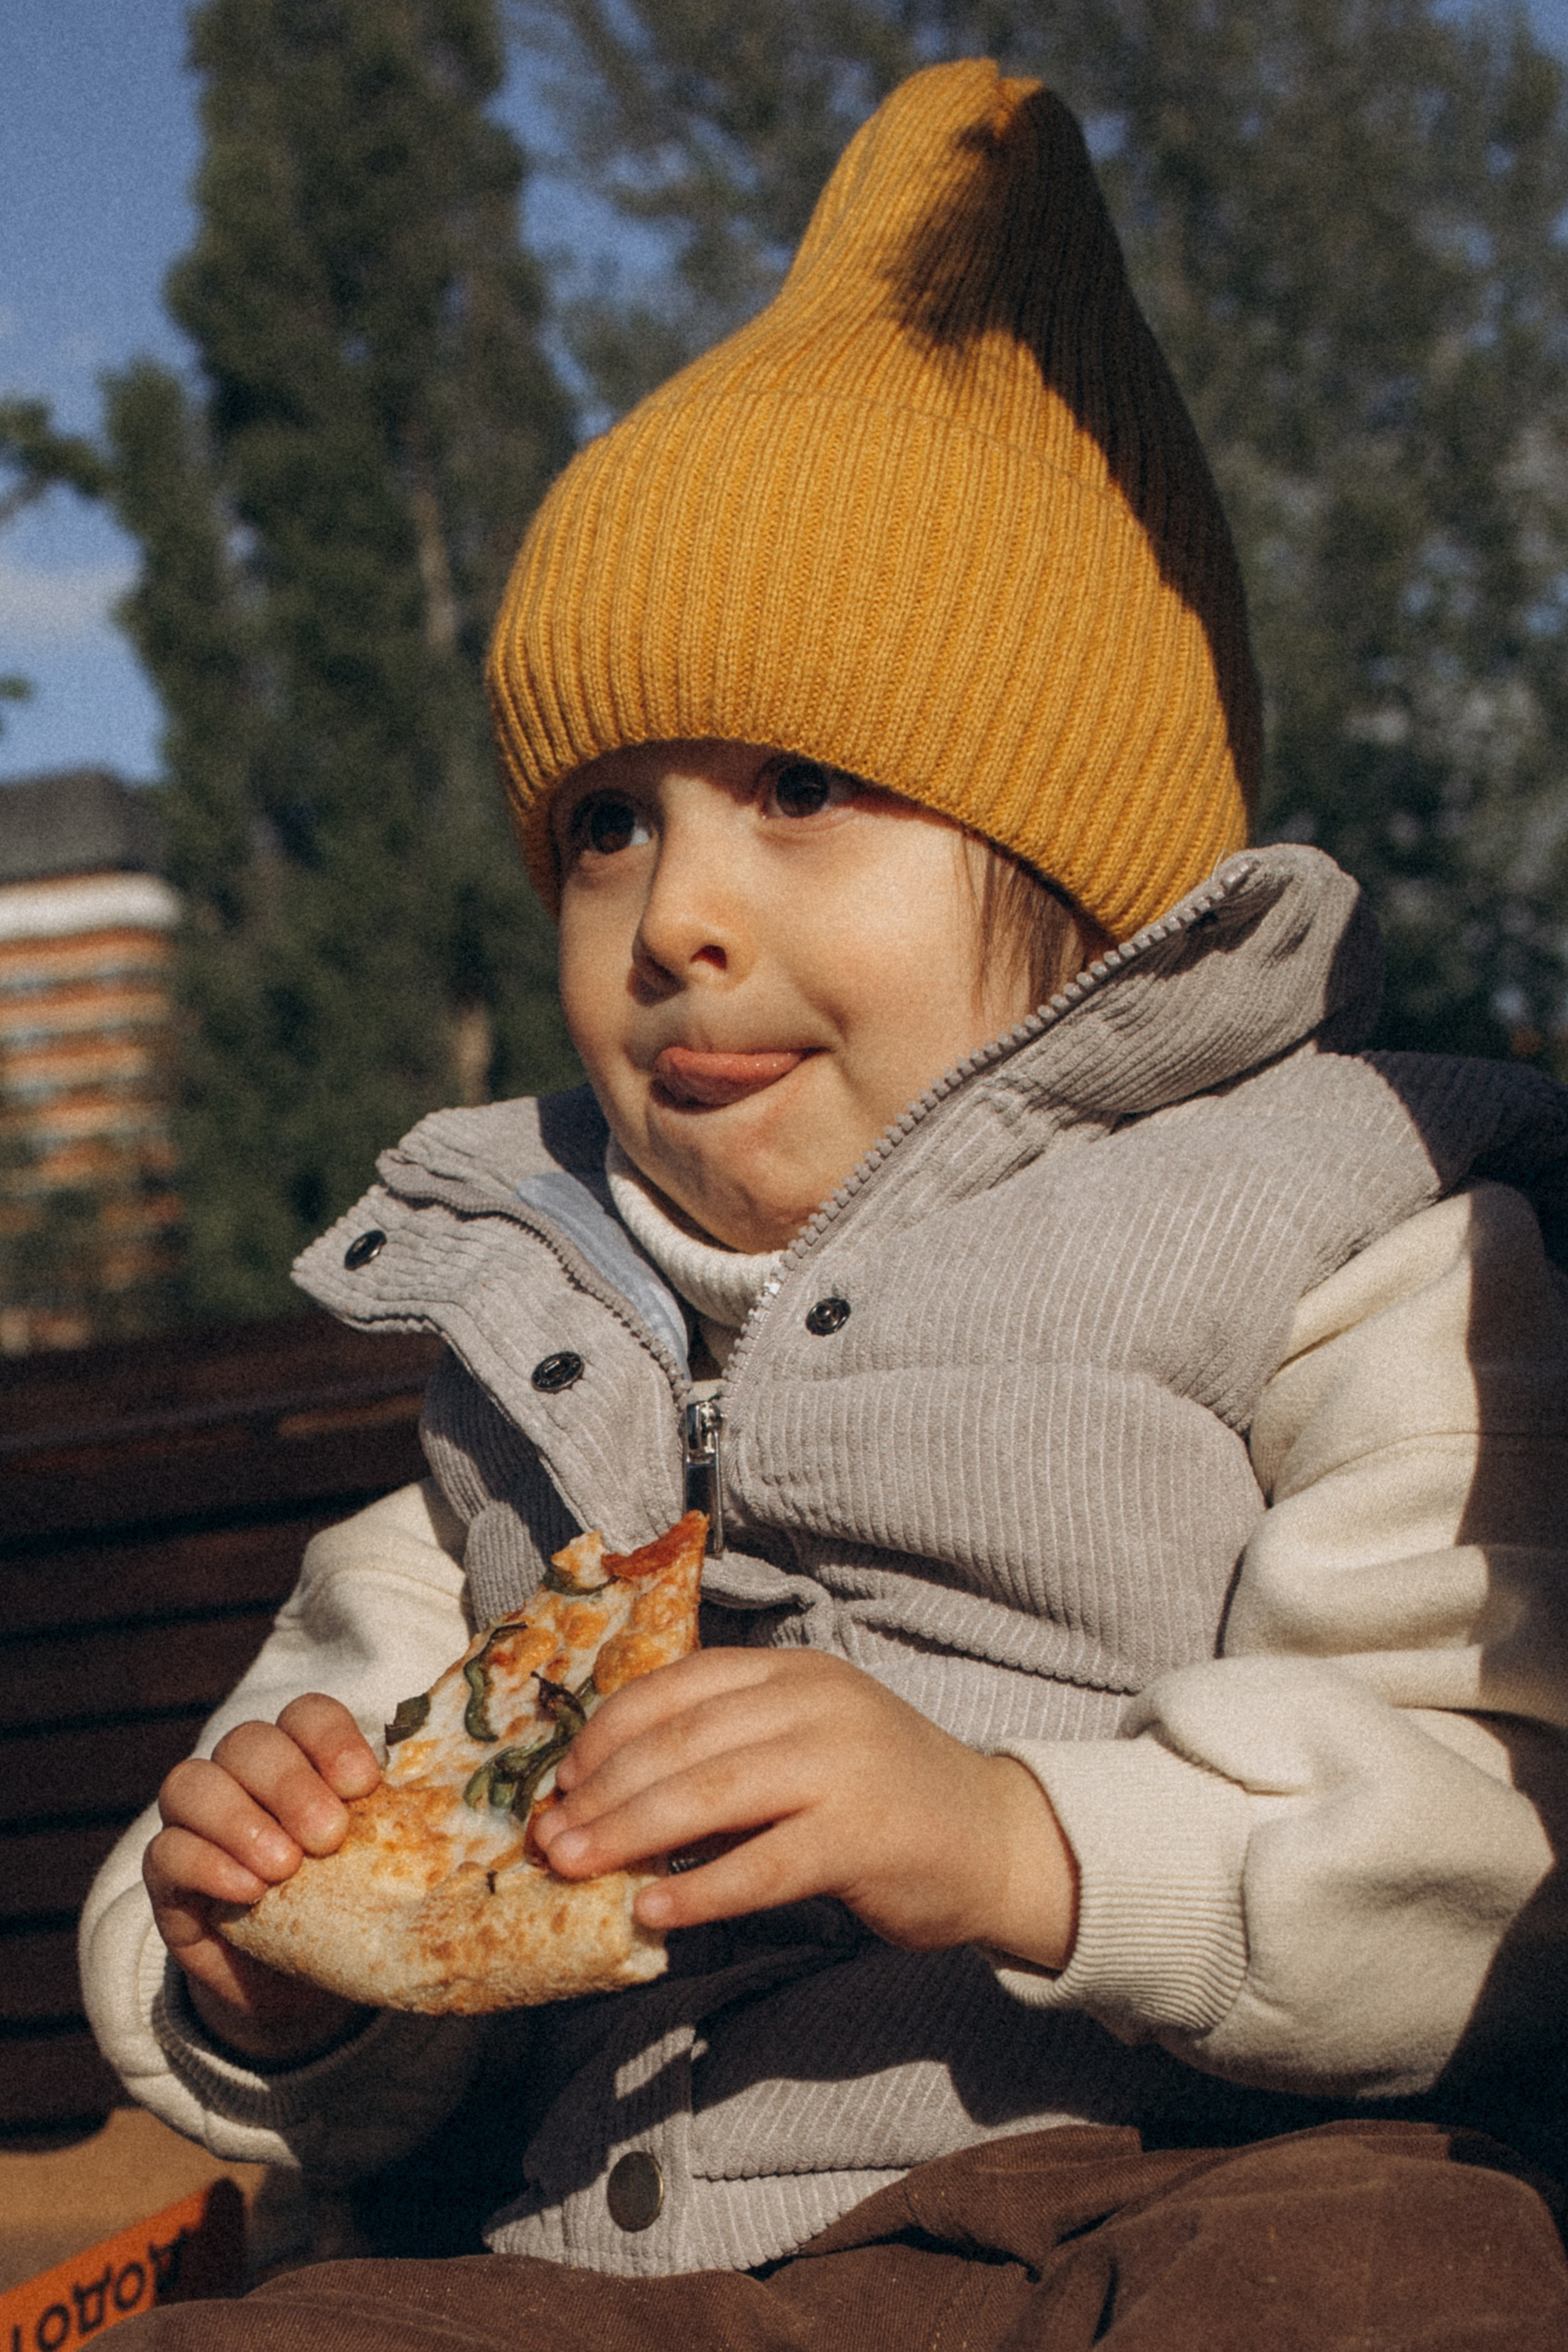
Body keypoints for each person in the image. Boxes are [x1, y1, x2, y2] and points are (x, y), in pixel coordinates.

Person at [84, 59, 1568, 2348]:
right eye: (606, 821)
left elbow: (1489, 1842)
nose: (675, 911)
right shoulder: (519, 1332)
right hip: (613, 2265)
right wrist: (273, 1961)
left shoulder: (1338, 1220)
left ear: (1088, 865)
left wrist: (1012, 1838)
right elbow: (322, 1845)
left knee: (1399, 2268)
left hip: (1157, 2193)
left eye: (799, 789)